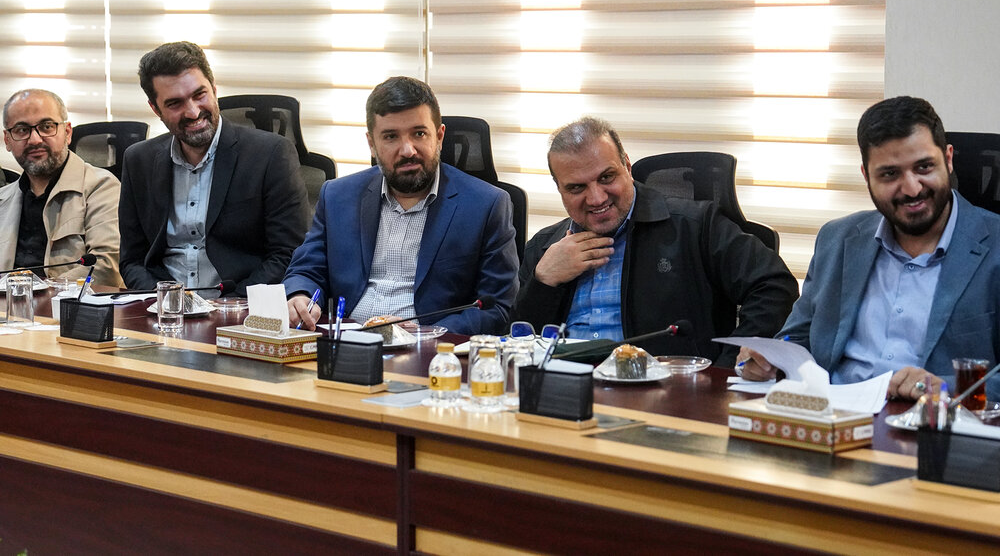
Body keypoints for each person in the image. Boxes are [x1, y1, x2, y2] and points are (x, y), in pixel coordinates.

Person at [737, 96, 1000, 401]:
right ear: (866, 176)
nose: (912, 188)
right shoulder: (837, 239)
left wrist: (944, 388)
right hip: (834, 414)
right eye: (890, 174)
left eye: (924, 167)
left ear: (948, 159)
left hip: (931, 421)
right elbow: (796, 338)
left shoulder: (993, 245)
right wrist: (766, 359)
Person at [512, 117, 798, 364]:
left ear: (627, 166)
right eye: (577, 187)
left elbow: (774, 285)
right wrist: (543, 282)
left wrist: (727, 368)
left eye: (607, 177)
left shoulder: (695, 225)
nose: (597, 198)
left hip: (667, 392)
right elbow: (516, 345)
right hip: (564, 388)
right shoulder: (544, 247)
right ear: (559, 189)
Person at [285, 76, 518, 335]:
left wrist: (424, 333)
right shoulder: (338, 196)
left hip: (428, 348)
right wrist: (300, 295)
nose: (408, 150)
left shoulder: (486, 205)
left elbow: (496, 309)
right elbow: (306, 269)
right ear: (372, 144)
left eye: (419, 133)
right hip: (346, 341)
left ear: (439, 136)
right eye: (391, 136)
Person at [119, 41, 310, 296]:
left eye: (199, 95)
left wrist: (228, 307)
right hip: (164, 308)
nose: (193, 112)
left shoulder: (271, 154)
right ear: (156, 109)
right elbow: (132, 260)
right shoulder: (138, 160)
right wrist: (166, 302)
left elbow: (288, 253)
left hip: (240, 306)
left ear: (214, 89)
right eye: (175, 103)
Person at [0, 89, 123, 286]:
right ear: (7, 140)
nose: (35, 139)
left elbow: (106, 267)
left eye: (46, 127)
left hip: (66, 304)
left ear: (67, 132)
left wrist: (37, 293)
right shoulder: (3, 199)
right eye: (22, 130)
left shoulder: (102, 187)